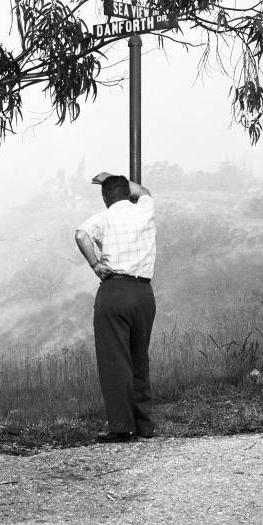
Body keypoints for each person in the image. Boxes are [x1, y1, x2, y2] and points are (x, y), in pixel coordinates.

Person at [74, 173, 157, 443]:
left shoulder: (104, 218)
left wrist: (95, 265)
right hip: (143, 292)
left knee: (115, 361)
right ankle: (145, 424)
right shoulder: (145, 208)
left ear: (105, 198)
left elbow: (81, 235)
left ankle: (122, 426)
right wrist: (112, 177)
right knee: (138, 357)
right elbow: (143, 190)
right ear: (127, 193)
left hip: (115, 290)